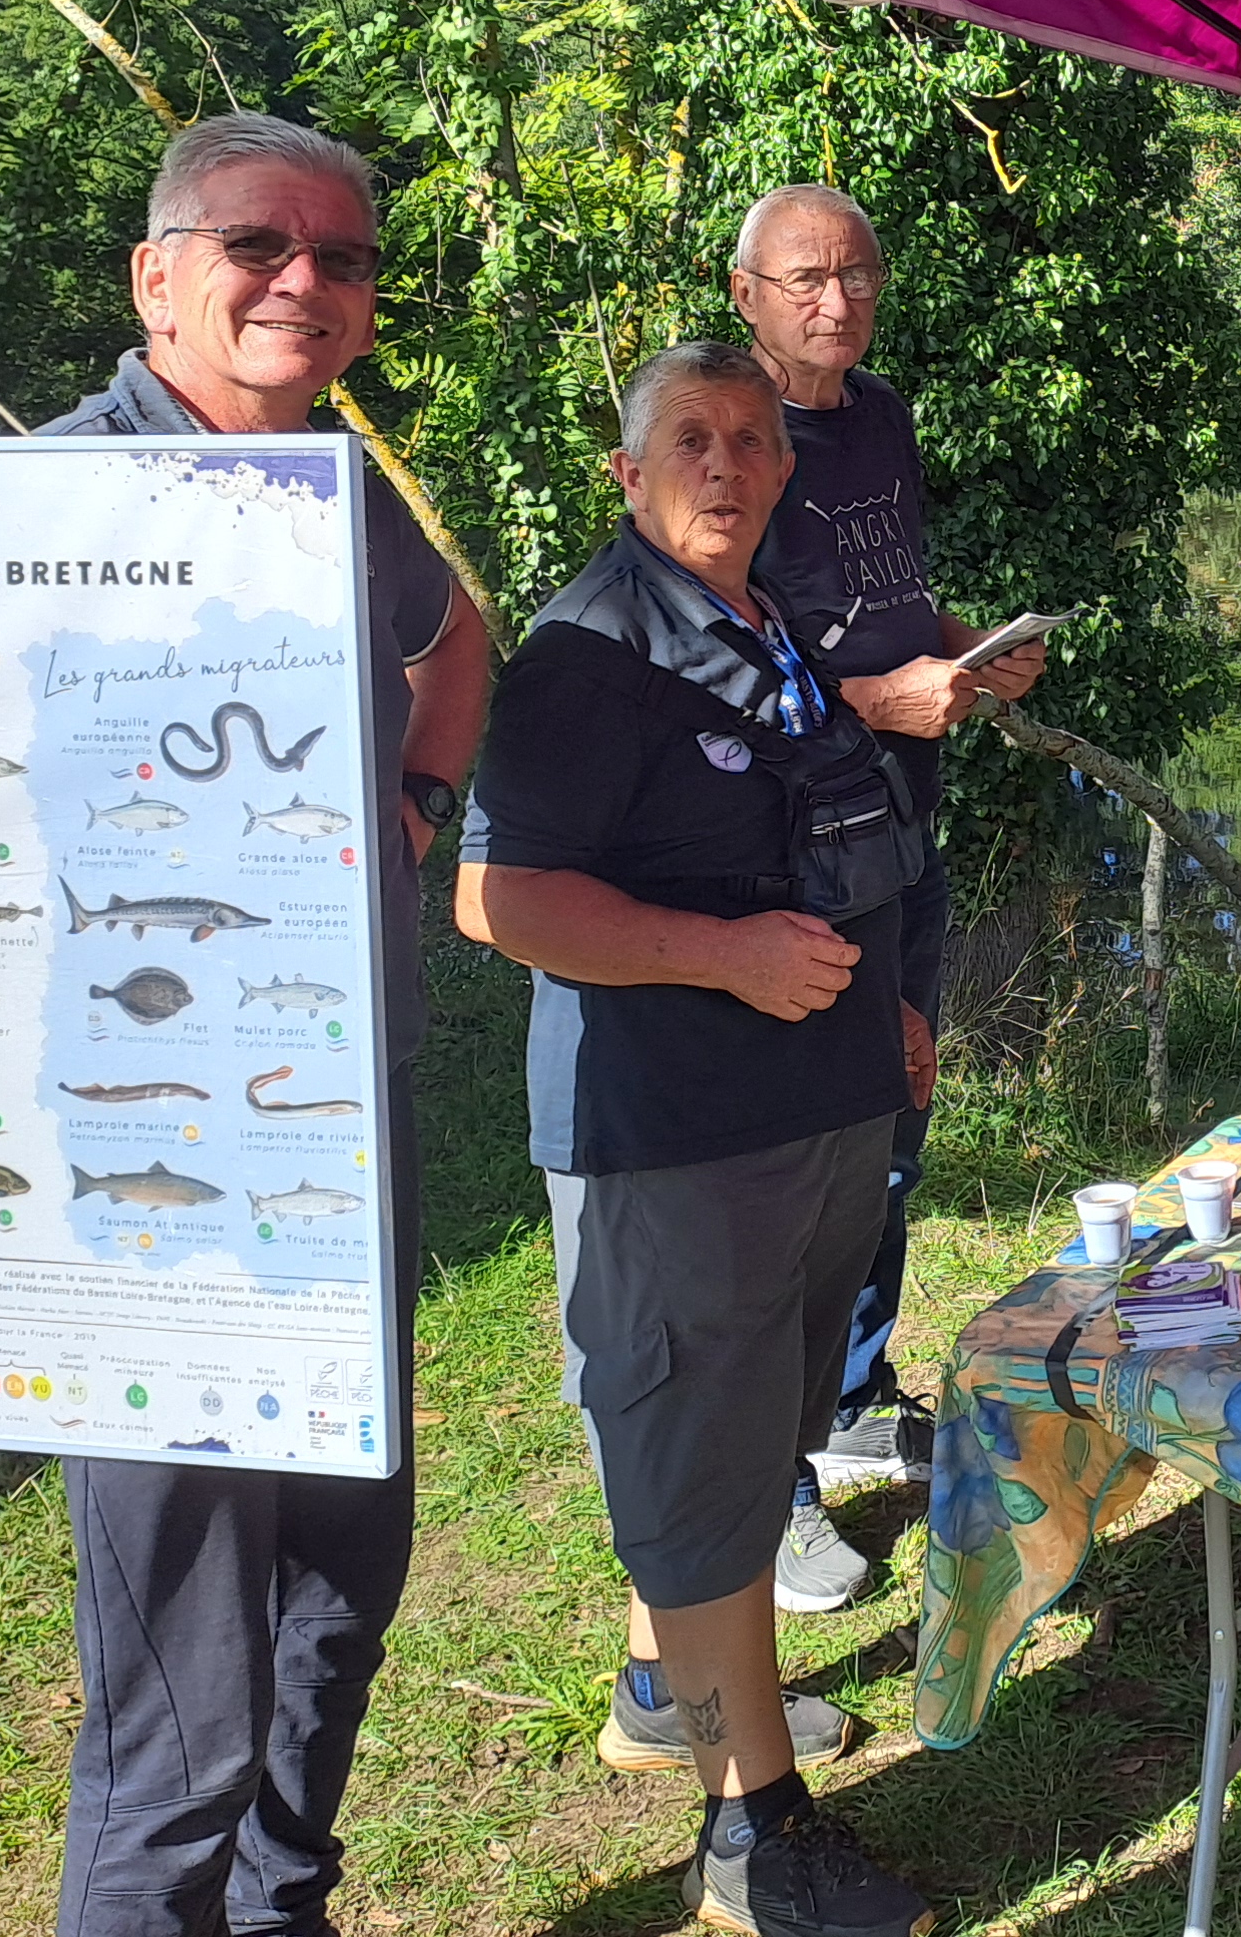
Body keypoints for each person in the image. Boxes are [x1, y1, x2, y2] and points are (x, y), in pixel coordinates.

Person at [41, 113, 491, 1937]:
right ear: (159, 275)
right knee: (178, 1690)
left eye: (345, 256)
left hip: (334, 1137)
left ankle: (281, 1904)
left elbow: (454, 635)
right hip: (142, 1177)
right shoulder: (53, 496)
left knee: (340, 1572)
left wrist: (419, 800)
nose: (302, 279)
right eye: (255, 245)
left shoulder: (332, 484)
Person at [459, 342, 936, 1937]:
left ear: (786, 467)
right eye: (687, 439)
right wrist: (722, 958)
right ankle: (754, 1836)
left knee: (747, 1439)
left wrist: (885, 1020)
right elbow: (502, 897)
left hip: (812, 1108)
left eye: (748, 438)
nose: (724, 464)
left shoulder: (765, 619)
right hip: (676, 1132)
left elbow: (815, 839)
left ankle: (671, 1690)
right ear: (629, 471)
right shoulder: (592, 652)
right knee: (704, 1453)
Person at [726, 183, 1045, 1613]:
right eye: (805, 279)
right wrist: (875, 695)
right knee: (797, 1164)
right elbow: (713, 642)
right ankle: (768, 1490)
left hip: (903, 822)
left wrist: (968, 650)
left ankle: (851, 1403)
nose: (835, 303)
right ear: (746, 292)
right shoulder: (726, 432)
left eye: (858, 275)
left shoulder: (882, 415)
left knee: (893, 1130)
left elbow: (879, 593)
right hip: (791, 848)